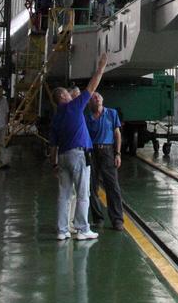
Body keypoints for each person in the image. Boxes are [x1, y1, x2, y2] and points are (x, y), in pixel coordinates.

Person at [48, 52, 108, 240]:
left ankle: (62, 230)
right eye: (67, 92)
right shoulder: (73, 106)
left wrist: (54, 164)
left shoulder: (56, 117)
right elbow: (92, 85)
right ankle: (82, 229)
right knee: (83, 194)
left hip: (63, 157)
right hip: (78, 155)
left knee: (64, 196)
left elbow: (53, 146)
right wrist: (101, 67)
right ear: (64, 97)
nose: (70, 93)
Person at [85, 92, 124, 231]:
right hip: (91, 152)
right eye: (93, 97)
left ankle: (117, 220)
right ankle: (98, 218)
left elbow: (117, 134)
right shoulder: (87, 118)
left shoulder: (112, 114)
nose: (97, 98)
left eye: (99, 96)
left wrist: (117, 153)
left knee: (112, 186)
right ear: (89, 103)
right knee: (91, 187)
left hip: (108, 151)